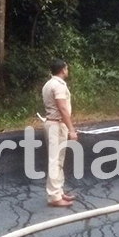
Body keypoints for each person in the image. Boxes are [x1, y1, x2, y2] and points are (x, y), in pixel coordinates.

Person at [41, 59, 77, 207]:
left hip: (53, 123)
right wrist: (71, 129)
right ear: (63, 70)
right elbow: (62, 109)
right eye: (67, 68)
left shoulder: (49, 84)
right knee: (55, 161)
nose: (67, 71)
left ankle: (58, 190)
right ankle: (54, 196)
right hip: (56, 124)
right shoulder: (58, 86)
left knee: (59, 160)